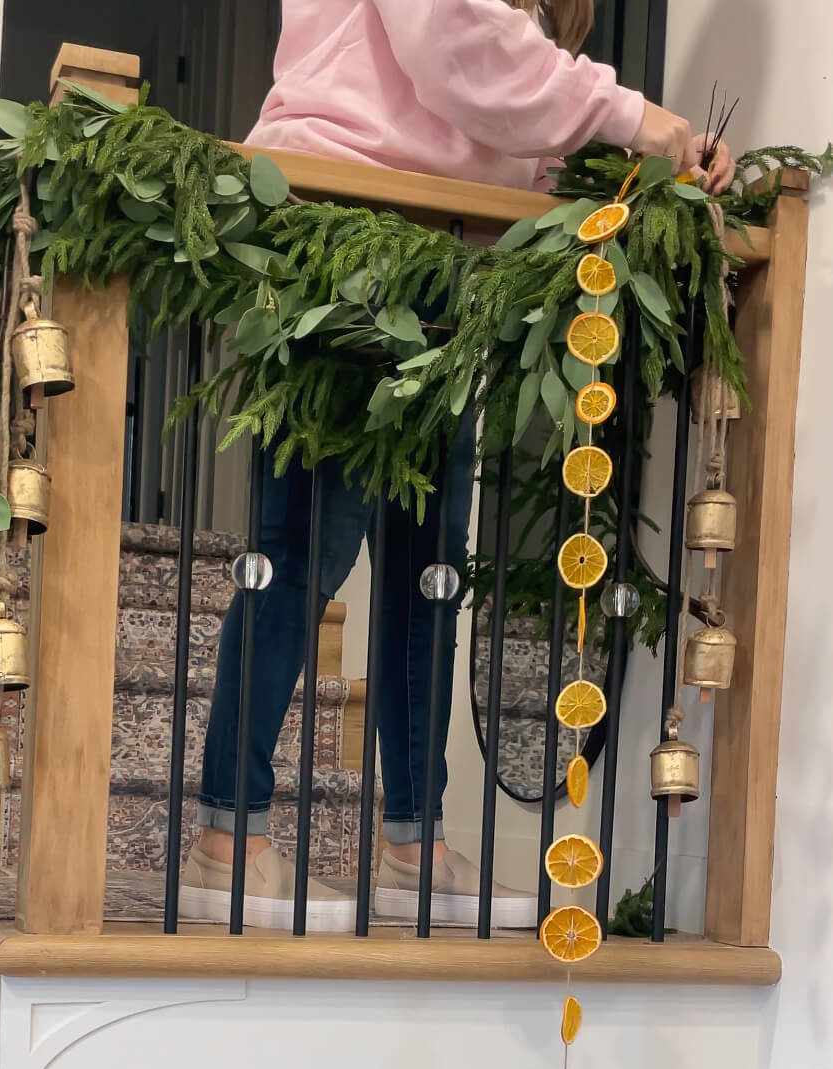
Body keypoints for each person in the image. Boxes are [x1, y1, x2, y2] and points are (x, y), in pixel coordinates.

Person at [180, 0, 736, 932]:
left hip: (443, 253)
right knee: (305, 548)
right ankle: (227, 837)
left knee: (429, 569)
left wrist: (648, 161)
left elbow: (498, 109)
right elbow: (453, 40)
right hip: (346, 224)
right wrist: (638, 117)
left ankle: (412, 842)